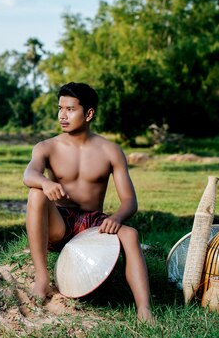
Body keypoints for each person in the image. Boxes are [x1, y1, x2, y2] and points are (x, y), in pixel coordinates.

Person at [23, 82, 154, 323]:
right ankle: (42, 279)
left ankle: (144, 309)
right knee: (35, 193)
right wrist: (46, 183)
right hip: (59, 221)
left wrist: (116, 218)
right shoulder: (47, 147)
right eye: (60, 108)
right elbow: (28, 175)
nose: (62, 115)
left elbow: (129, 200)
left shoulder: (110, 151)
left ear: (89, 113)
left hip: (93, 224)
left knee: (130, 235)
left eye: (70, 109)